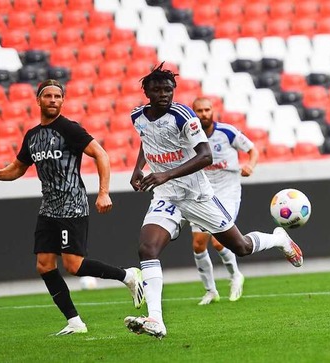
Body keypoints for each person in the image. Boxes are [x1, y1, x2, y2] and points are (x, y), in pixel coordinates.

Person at [123, 63, 302, 339]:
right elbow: (147, 141)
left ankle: (278, 238)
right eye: (157, 89)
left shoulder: (184, 116)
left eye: (168, 89)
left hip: (197, 195)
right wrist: (139, 168)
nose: (163, 94)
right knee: (147, 249)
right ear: (146, 91)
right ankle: (156, 319)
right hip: (166, 196)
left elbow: (206, 156)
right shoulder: (138, 116)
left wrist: (165, 174)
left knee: (240, 247)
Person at [0, 79, 145, 336]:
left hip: (72, 205)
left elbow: (101, 154)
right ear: (38, 100)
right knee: (44, 265)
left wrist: (103, 193)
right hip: (48, 209)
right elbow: (18, 169)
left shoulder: (69, 129)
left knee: (73, 266)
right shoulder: (32, 136)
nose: (54, 100)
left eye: (58, 96)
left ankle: (128, 276)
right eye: (48, 96)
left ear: (62, 101)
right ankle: (74, 322)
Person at [189, 97, 259, 305]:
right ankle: (211, 291)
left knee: (219, 240)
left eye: (207, 109)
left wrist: (250, 166)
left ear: (213, 111)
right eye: (199, 110)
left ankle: (235, 275)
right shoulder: (190, 137)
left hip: (228, 192)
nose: (204, 113)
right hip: (203, 194)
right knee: (198, 244)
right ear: (194, 113)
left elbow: (252, 150)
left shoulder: (227, 132)